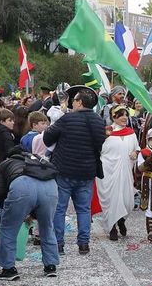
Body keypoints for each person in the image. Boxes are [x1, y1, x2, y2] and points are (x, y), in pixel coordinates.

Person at [43, 86, 106, 256]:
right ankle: (84, 244)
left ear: (80, 102)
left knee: (59, 209)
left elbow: (47, 138)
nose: (72, 102)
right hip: (87, 171)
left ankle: (59, 244)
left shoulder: (67, 119)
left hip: (64, 170)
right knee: (84, 209)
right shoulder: (99, 121)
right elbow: (100, 144)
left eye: (74, 100)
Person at [0, 147, 60, 279]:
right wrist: (32, 213)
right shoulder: (37, 160)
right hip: (50, 187)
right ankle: (51, 266)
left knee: (8, 228)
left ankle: (8, 269)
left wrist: (8, 208)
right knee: (47, 227)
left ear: (9, 156)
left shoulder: (6, 163)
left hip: (22, 185)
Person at [97, 107, 141, 241]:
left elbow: (137, 148)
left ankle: (121, 219)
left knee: (127, 200)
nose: (124, 118)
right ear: (114, 117)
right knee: (112, 199)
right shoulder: (107, 132)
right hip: (109, 171)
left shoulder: (131, 133)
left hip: (126, 171)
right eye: (121, 115)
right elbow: (98, 149)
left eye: (126, 115)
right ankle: (112, 227)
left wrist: (135, 153)